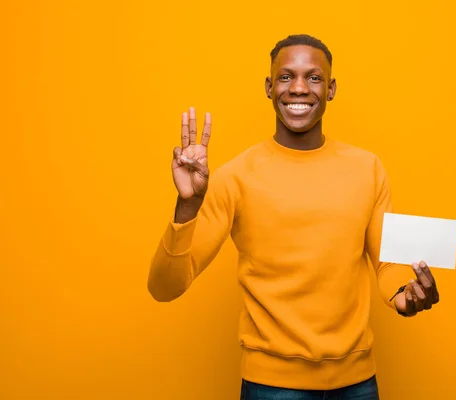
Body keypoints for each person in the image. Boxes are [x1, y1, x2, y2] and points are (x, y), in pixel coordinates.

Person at [147, 34, 440, 400]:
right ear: (269, 87)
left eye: (313, 78)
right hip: (270, 388)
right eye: (286, 77)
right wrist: (187, 206)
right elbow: (164, 287)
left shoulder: (368, 168)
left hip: (358, 384)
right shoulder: (236, 176)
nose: (299, 88)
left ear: (330, 89)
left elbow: (387, 264)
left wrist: (403, 293)